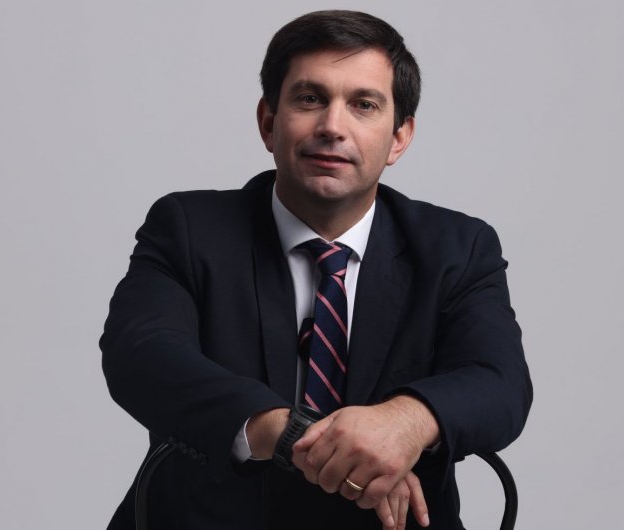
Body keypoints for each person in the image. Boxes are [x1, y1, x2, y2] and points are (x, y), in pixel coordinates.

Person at [100, 10, 532, 530]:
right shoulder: (188, 228)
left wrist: (404, 423)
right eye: (310, 99)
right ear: (268, 121)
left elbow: (500, 382)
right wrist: (289, 433)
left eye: (364, 105)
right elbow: (140, 354)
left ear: (399, 137)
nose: (332, 127)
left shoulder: (458, 248)